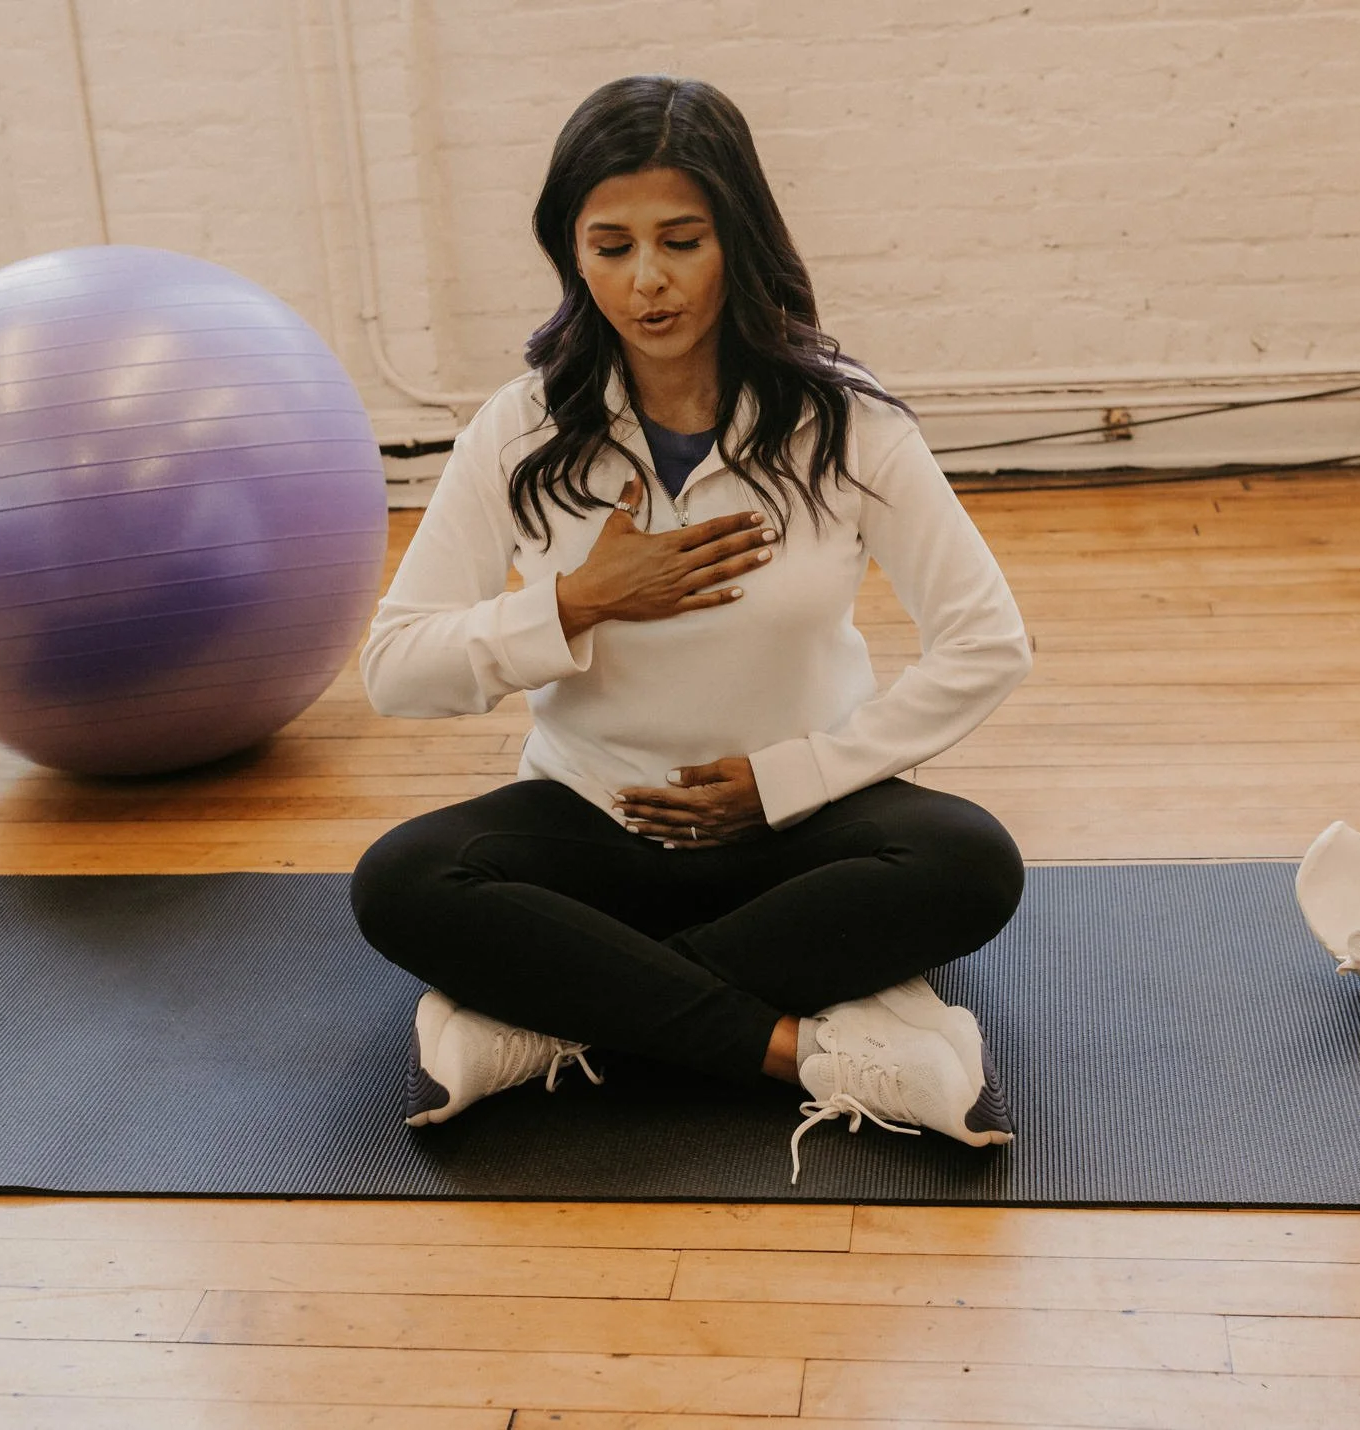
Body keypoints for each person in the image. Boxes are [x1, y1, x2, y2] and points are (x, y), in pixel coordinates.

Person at [349, 75, 1032, 1181]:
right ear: (569, 250)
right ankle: (798, 1046)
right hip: (594, 819)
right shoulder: (518, 429)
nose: (647, 279)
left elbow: (986, 639)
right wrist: (576, 601)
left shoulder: (842, 422)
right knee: (399, 881)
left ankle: (559, 1014)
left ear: (738, 238)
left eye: (680, 238)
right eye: (609, 245)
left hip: (801, 829)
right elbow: (392, 669)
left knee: (969, 861)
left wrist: (791, 776)